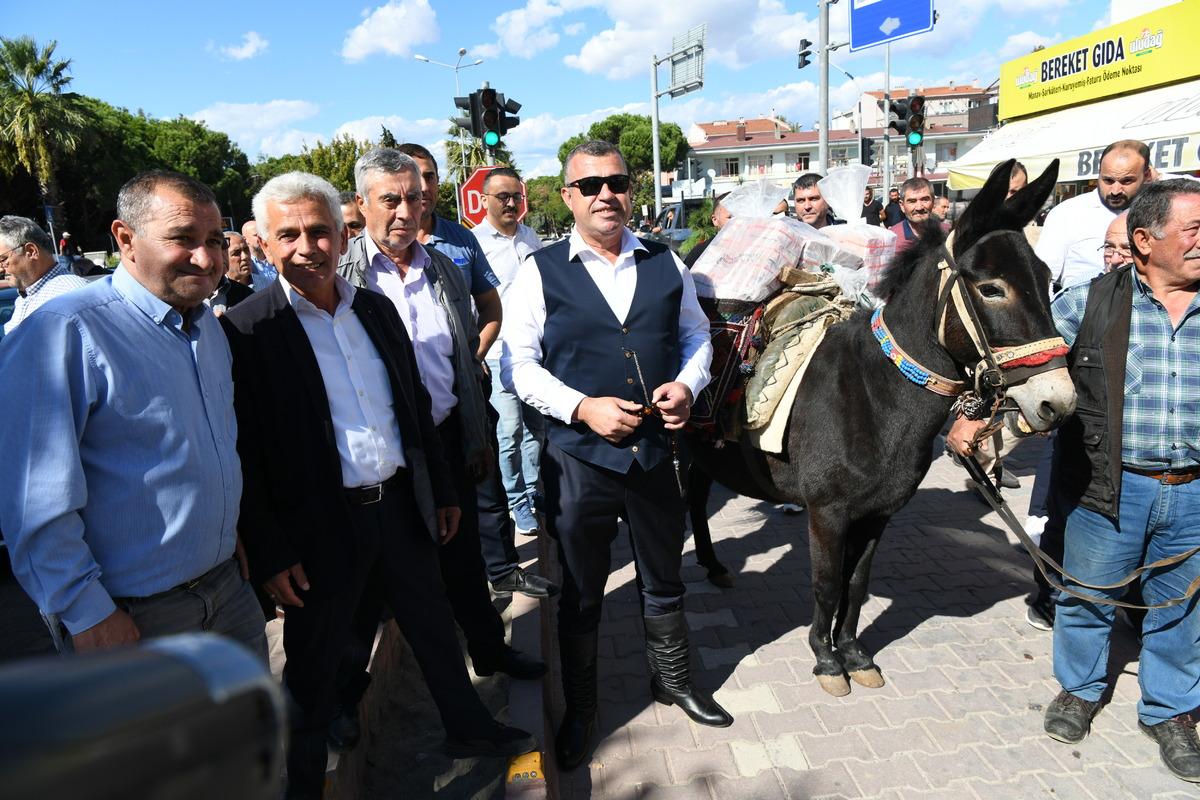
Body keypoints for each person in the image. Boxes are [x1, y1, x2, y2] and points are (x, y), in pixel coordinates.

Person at [224, 172, 534, 798]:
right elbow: (246, 455)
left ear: (342, 235)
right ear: (266, 244)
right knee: (313, 669)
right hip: (320, 529)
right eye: (289, 235)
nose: (307, 247)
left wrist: (442, 492)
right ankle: (304, 785)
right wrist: (272, 550)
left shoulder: (375, 308)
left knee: (431, 626)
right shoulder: (246, 330)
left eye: (319, 232)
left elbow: (414, 409)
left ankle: (467, 726)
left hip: (398, 505)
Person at [501, 139, 732, 772]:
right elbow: (519, 365)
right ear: (568, 197)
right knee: (581, 590)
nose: (607, 193)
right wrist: (581, 407)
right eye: (592, 184)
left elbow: (694, 336)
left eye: (618, 181)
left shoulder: (665, 263)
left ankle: (674, 680)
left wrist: (690, 382)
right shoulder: (540, 270)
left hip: (656, 452)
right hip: (579, 460)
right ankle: (581, 708)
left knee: (663, 571)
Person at [0, 170, 267, 659]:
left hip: (228, 590)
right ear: (125, 239)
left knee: (249, 734)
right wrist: (87, 613)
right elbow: (31, 503)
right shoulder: (63, 333)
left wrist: (225, 534)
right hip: (134, 618)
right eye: (182, 239)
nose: (207, 258)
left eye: (212, 239)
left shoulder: (206, 328)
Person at [340, 147, 550, 670]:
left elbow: (463, 353)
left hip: (448, 436)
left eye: (414, 197)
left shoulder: (445, 269)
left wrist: (475, 434)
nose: (405, 211)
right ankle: (344, 700)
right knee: (377, 574)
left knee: (463, 562)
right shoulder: (341, 277)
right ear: (363, 204)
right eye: (390, 199)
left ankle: (488, 654)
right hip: (382, 450)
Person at [1035, 180, 1200, 784]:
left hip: (1195, 489)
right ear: (1143, 239)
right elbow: (1028, 372)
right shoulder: (1084, 303)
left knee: (1182, 607)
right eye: (1193, 230)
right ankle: (1078, 691)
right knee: (1086, 595)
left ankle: (1172, 712)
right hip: (1110, 486)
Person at [471, 167, 546, 537]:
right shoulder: (474, 244)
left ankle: (534, 493)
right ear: (484, 200)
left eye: (516, 196)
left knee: (536, 427)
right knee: (509, 430)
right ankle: (517, 501)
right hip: (498, 353)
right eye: (503, 196)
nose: (511, 203)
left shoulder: (531, 237)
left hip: (534, 352)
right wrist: (479, 353)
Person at [395, 142, 503, 362]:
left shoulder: (462, 239)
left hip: (459, 389)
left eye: (430, 177)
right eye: (415, 177)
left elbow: (491, 306)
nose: (424, 187)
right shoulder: (376, 246)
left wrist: (473, 358)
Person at [1036, 139, 1151, 291]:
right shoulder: (1068, 213)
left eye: (1127, 181)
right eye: (1108, 180)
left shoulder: (1156, 210)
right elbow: (1041, 277)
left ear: (1147, 175)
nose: (1115, 190)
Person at [0, 215, 88, 335]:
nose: (1, 269)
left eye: (3, 259)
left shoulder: (70, 294)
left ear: (31, 251)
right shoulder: (26, 296)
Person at [208, 232, 254, 315]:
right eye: (236, 253)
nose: (245, 257)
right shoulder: (187, 296)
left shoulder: (247, 294)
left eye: (246, 250)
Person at [682, 191, 731, 268]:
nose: (737, 220)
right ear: (715, 220)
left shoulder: (753, 249)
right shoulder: (701, 252)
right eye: (730, 217)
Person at [888, 177, 935, 253]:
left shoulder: (948, 234)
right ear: (902, 206)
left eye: (925, 200)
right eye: (912, 201)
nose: (919, 207)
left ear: (933, 202)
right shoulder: (890, 239)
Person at [240, 219, 279, 291]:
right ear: (245, 240)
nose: (262, 238)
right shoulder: (245, 265)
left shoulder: (276, 259)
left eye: (263, 234)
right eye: (256, 235)